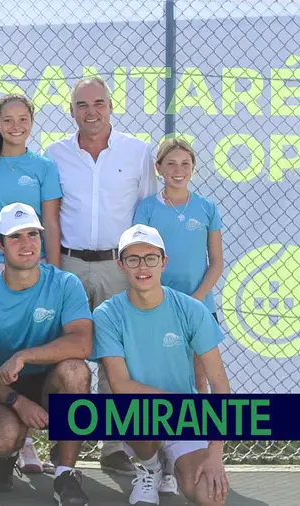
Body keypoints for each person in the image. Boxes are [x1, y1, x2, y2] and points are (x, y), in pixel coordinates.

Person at [45, 76, 159, 475]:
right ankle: (64, 447)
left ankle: (114, 446)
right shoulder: (54, 154)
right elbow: (52, 214)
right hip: (70, 265)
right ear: (71, 110)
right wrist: (55, 269)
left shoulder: (138, 151)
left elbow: (146, 211)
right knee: (69, 357)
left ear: (111, 105)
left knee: (116, 355)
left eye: (98, 103)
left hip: (119, 265)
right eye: (82, 105)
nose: (91, 111)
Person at [92, 224, 230, 506]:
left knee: (210, 497)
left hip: (185, 420)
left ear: (163, 262)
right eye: (133, 259)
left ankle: (172, 466)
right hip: (140, 417)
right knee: (139, 410)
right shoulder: (106, 314)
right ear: (121, 265)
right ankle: (150, 468)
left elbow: (219, 385)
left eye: (151, 258)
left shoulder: (192, 309)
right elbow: (120, 385)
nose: (143, 266)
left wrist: (216, 454)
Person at [0, 203, 92, 506]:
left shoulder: (65, 283)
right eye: (16, 237)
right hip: (4, 390)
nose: (27, 244)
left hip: (52, 383)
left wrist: (25, 355)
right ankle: (6, 458)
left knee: (76, 371)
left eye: (33, 234)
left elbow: (83, 343)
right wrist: (16, 402)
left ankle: (65, 474)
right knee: (2, 437)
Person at [133, 138, 223, 394]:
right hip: (158, 304)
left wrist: (196, 299)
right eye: (171, 163)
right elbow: (140, 258)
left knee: (198, 376)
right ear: (159, 167)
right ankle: (158, 432)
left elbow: (216, 262)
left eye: (185, 163)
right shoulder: (147, 208)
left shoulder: (207, 208)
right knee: (157, 373)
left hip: (199, 304)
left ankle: (202, 431)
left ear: (193, 168)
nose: (178, 170)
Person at [0, 93, 62, 280]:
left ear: (32, 121)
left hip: (34, 261)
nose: (16, 126)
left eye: (23, 119)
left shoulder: (44, 167)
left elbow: (50, 224)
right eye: (8, 120)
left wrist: (55, 274)